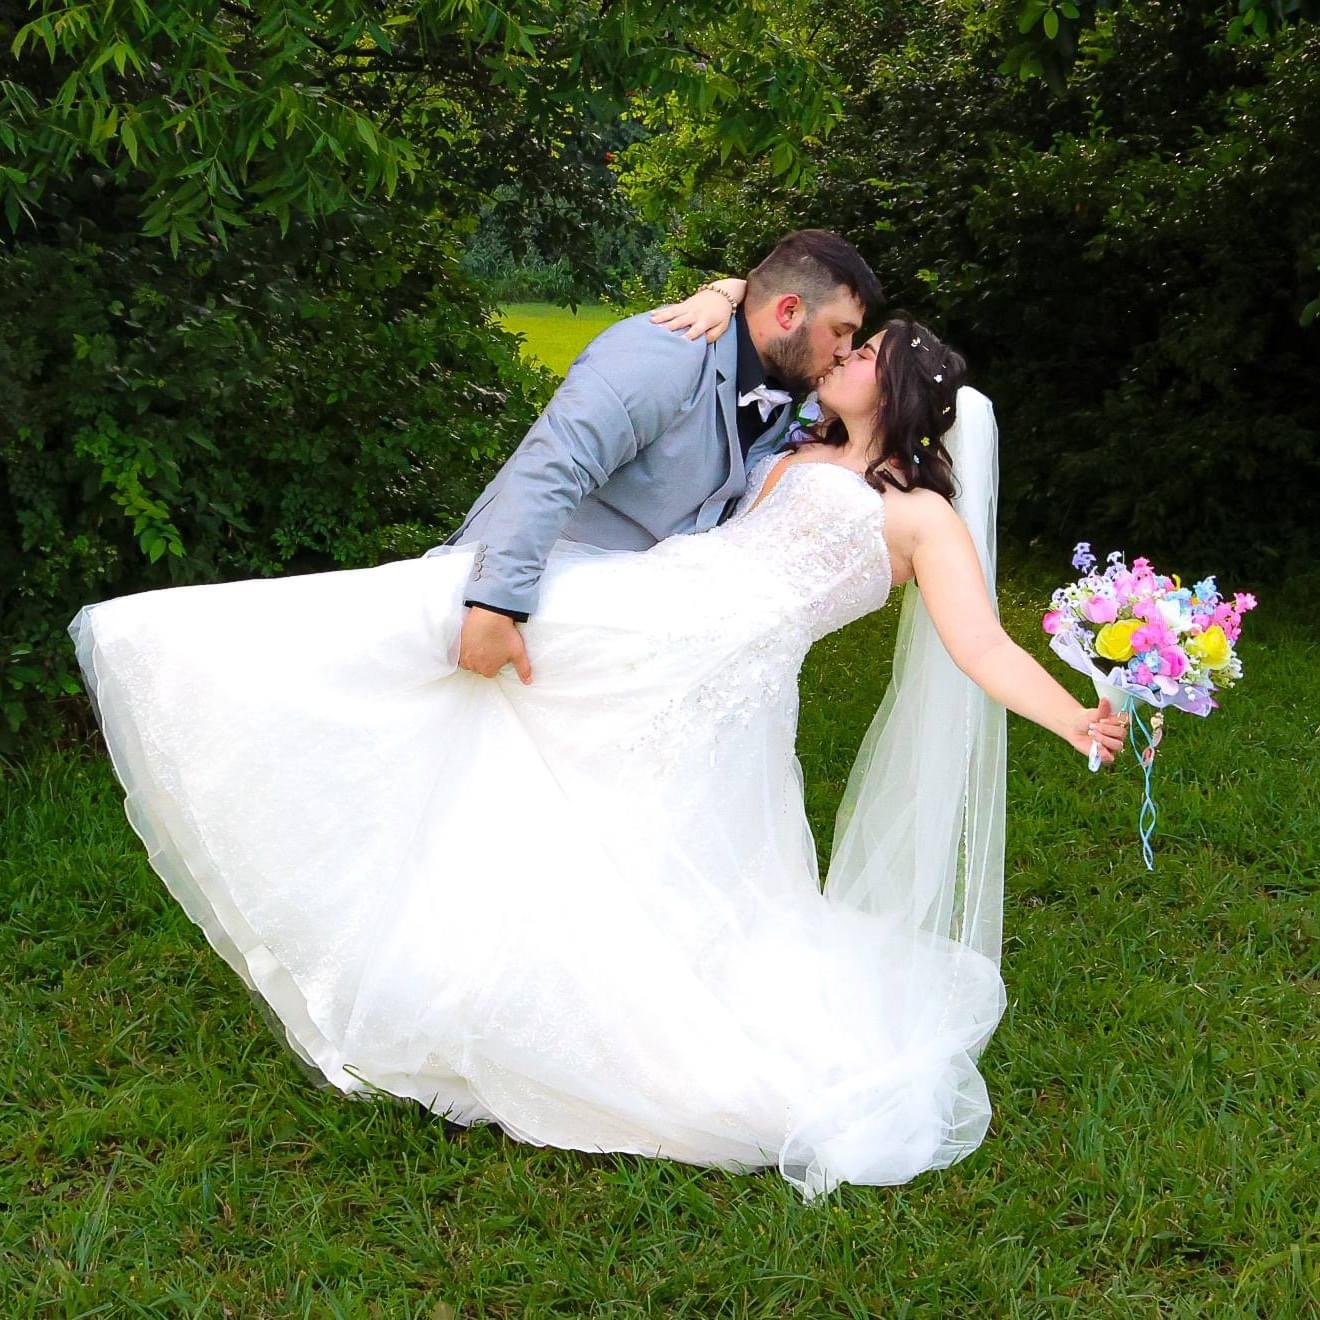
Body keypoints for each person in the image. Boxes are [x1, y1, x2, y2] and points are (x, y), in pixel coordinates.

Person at [67, 276, 1127, 1203]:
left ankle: (588, 1022)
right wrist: (724, 294)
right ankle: (197, 655)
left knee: (643, 845)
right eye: (849, 342)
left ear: (896, 397)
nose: (845, 358)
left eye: (868, 356)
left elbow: (980, 646)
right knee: (448, 638)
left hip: (720, 678)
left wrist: (1074, 711)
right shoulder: (789, 441)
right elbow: (752, 349)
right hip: (646, 614)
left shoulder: (919, 521)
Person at [445, 228, 882, 684]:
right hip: (524, 606)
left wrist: (729, 289)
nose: (844, 351)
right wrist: (495, 603)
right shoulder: (666, 353)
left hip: (619, 640)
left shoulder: (783, 395)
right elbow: (554, 462)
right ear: (789, 311)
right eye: (841, 330)